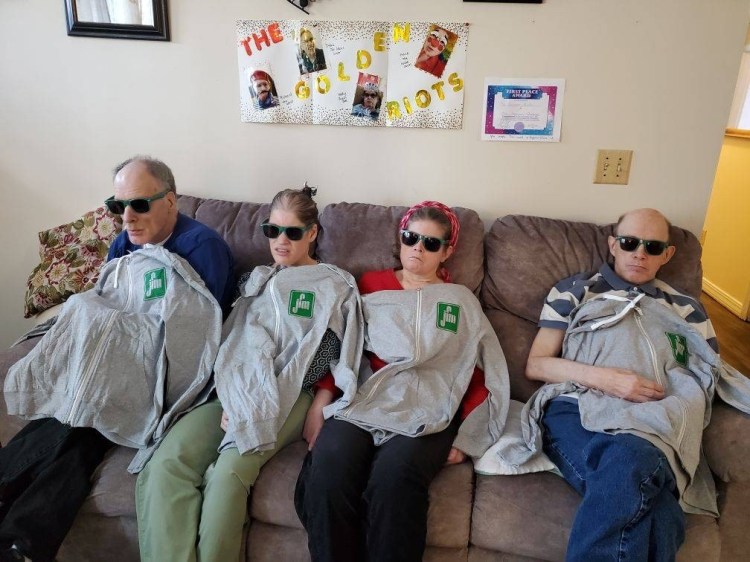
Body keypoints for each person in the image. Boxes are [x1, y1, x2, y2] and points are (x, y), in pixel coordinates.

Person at [0, 156, 234, 562]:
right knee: (61, 417)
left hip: (152, 372)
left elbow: (199, 329)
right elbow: (105, 300)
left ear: (171, 201)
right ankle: (20, 541)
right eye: (117, 205)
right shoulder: (125, 242)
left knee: (82, 427)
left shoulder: (202, 247)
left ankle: (22, 542)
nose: (127, 217)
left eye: (139, 204)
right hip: (104, 362)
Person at [136, 187, 363, 562]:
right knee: (165, 464)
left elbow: (335, 354)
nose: (281, 241)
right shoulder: (254, 281)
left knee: (226, 476)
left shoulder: (334, 285)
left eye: (292, 232)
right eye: (272, 230)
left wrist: (314, 402)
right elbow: (229, 341)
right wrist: (238, 391)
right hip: (229, 389)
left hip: (289, 393)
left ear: (313, 233)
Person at [521, 208, 746, 561]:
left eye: (653, 247)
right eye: (629, 243)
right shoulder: (576, 291)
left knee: (641, 474)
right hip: (577, 409)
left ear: (667, 254)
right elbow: (537, 364)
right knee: (651, 490)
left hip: (655, 419)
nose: (639, 253)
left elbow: (708, 372)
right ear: (613, 245)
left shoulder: (687, 309)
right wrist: (609, 380)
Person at [295, 201, 509, 562]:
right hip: (365, 401)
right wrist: (321, 402)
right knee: (328, 468)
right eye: (411, 238)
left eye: (431, 243)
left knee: (394, 481)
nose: (418, 249)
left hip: (429, 409)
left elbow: (480, 369)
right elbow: (345, 348)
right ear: (401, 238)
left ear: (447, 251)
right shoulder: (370, 285)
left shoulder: (460, 302)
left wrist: (468, 436)